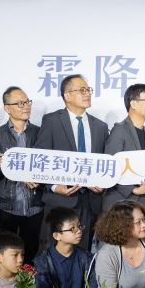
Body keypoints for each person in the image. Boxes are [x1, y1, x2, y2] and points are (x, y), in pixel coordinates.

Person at [35, 74, 109, 251]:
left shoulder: (100, 126)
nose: (87, 93)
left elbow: (105, 163)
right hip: (60, 201)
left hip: (90, 201)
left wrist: (102, 183)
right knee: (55, 253)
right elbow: (40, 159)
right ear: (67, 96)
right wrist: (54, 186)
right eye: (82, 90)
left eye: (88, 90)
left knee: (83, 252)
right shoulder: (51, 121)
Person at [0, 86, 44, 262]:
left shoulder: (41, 133)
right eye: (19, 103)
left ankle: (27, 280)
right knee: (5, 252)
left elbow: (49, 167)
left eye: (27, 102)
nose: (26, 106)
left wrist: (39, 179)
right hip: (5, 205)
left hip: (34, 205)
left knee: (30, 252)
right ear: (7, 108)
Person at [103, 83, 145, 214]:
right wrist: (133, 189)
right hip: (122, 205)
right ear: (133, 104)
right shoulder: (119, 130)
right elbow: (111, 167)